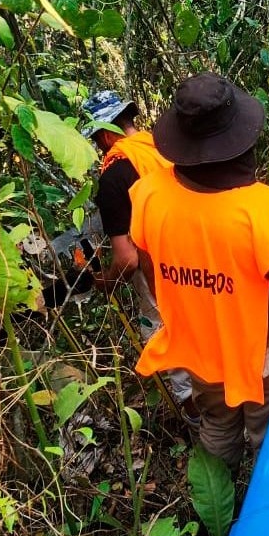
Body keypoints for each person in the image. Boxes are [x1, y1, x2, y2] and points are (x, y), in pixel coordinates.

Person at [128, 72, 269, 472]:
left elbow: (151, 269)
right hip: (263, 353)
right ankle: (265, 509)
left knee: (217, 427)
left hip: (200, 347)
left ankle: (214, 504)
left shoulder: (149, 195)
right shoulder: (264, 213)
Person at [81, 90, 195, 414]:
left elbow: (127, 259)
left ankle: (201, 423)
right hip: (203, 257)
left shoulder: (114, 175)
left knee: (173, 346)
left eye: (97, 140)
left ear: (105, 134)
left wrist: (106, 281)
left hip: (161, 275)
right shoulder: (166, 149)